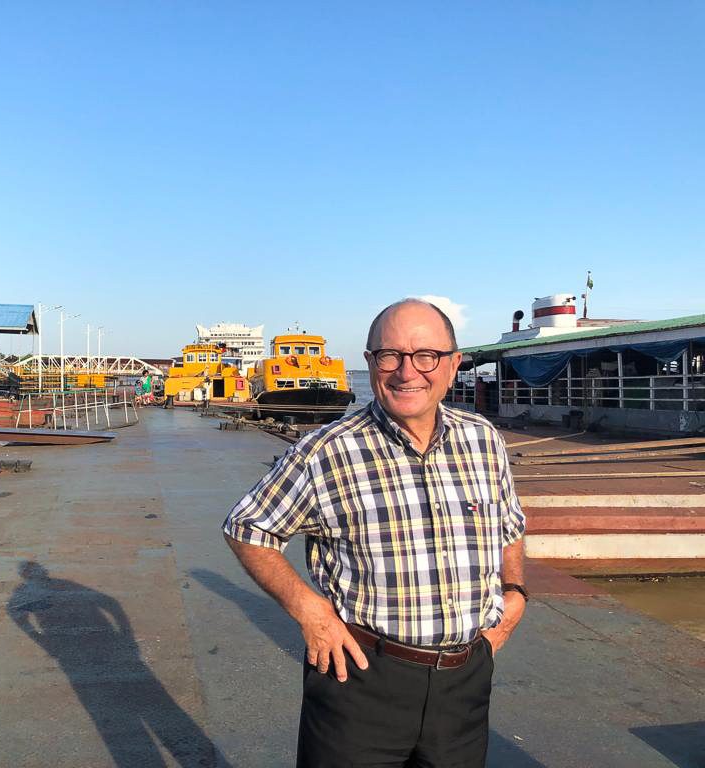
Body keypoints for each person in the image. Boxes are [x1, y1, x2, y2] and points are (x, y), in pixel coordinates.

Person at [223, 298, 527, 767]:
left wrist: (515, 593)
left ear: (453, 365)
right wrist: (311, 612)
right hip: (362, 678)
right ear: (370, 363)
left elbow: (510, 524)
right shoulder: (326, 451)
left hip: (465, 682)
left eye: (426, 356)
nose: (408, 372)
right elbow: (247, 527)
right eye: (391, 356)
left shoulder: (482, 439)